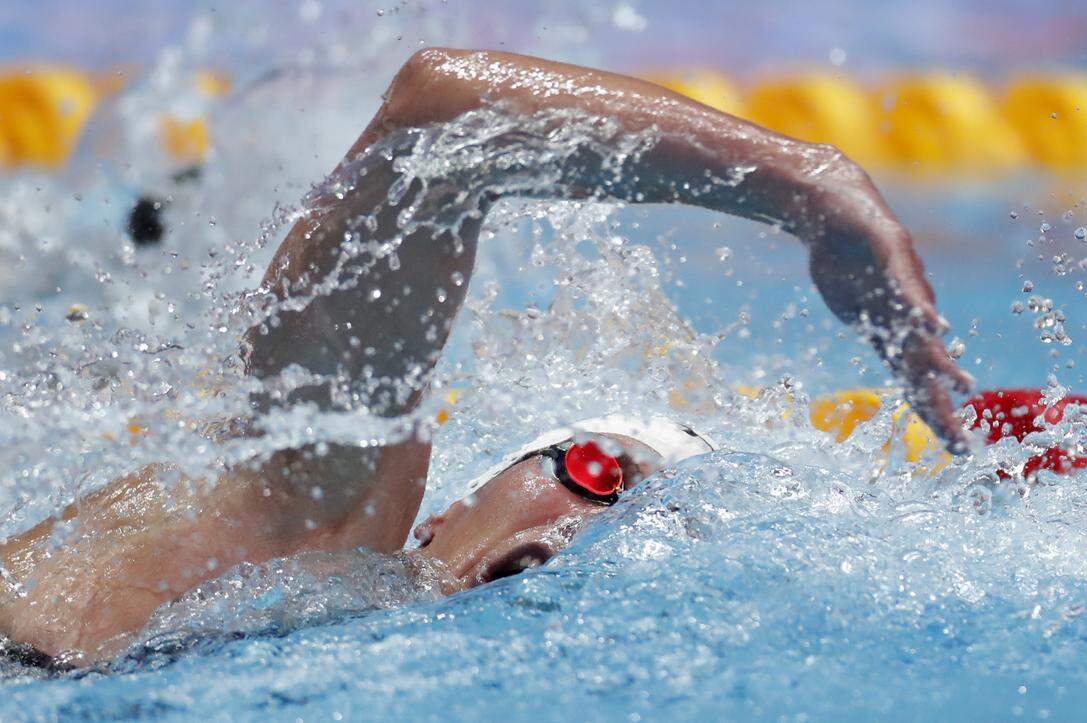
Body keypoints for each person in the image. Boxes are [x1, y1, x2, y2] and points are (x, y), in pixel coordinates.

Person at [0, 48, 972, 667]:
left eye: (655, 538)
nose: (605, 534)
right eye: (600, 473)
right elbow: (445, 117)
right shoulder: (339, 502)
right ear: (447, 510)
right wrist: (808, 187)